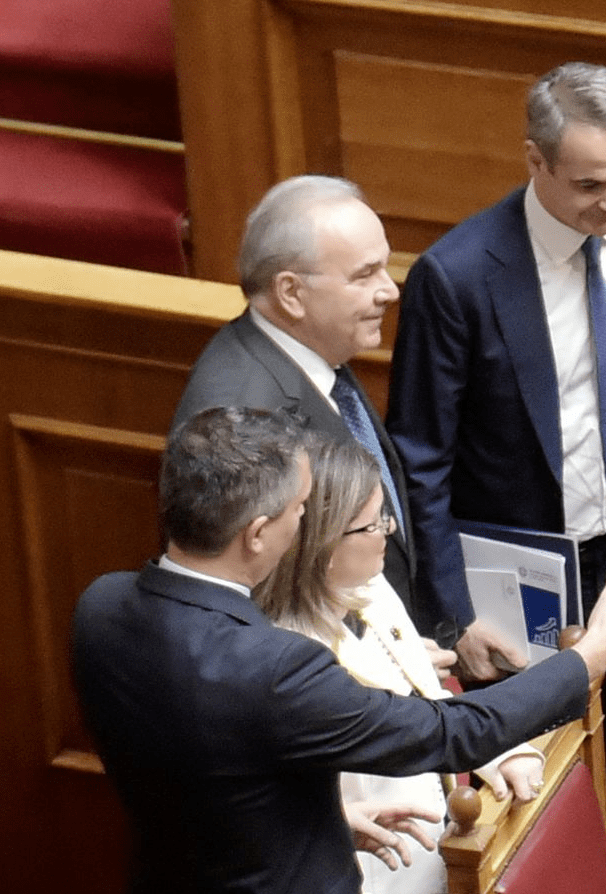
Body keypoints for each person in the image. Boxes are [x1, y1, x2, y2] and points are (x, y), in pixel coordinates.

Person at [71, 406, 606, 894]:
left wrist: (319, 822)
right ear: (257, 534)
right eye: (299, 509)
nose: (305, 522)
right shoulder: (275, 668)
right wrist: (589, 657)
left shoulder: (100, 606)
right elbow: (449, 733)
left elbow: (202, 770)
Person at [386, 61, 606, 894]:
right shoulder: (457, 276)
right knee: (533, 772)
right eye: (592, 185)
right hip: (518, 570)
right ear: (535, 161)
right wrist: (453, 615)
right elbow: (420, 460)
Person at [255, 438, 546, 894]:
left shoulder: (370, 587)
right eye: (372, 524)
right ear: (324, 544)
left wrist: (500, 754)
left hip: (438, 863)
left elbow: (429, 696)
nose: (389, 530)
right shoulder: (287, 652)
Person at [170, 175, 429, 635]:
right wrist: (372, 655)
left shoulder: (318, 350)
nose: (390, 290)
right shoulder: (240, 413)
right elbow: (256, 602)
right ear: (291, 293)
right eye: (365, 275)